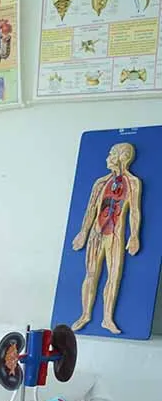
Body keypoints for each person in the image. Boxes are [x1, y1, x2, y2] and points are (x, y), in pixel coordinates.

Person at [71, 142, 142, 335]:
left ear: (123, 157)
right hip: (96, 233)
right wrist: (83, 233)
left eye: (112, 154)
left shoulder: (133, 183)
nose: (108, 158)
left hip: (115, 236)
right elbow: (91, 209)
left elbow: (134, 211)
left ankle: (107, 318)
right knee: (90, 274)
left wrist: (134, 236)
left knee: (113, 276)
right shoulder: (100, 183)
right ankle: (85, 315)